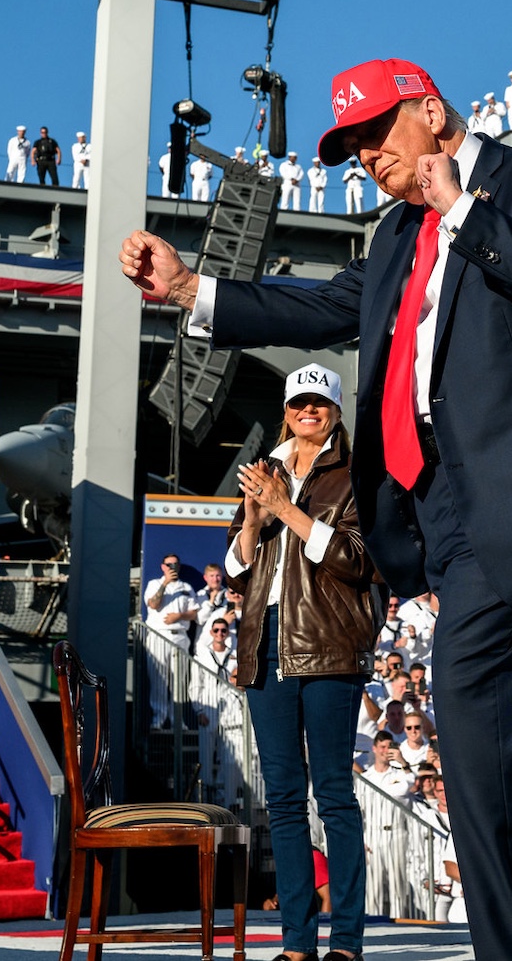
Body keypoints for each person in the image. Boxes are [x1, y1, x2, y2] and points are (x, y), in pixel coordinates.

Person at [121, 57, 512, 961]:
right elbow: (322, 303)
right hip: (441, 512)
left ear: (431, 112)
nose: (365, 155)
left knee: (475, 712)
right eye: (351, 144)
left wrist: (464, 211)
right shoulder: (396, 237)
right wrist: (189, 289)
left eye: (375, 133)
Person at [229, 363, 375, 961]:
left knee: (335, 796)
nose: (307, 412)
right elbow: (238, 569)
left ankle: (346, 943)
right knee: (284, 803)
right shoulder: (264, 472)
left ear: (336, 411)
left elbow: (356, 560)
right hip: (266, 648)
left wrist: (286, 510)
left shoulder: (356, 474)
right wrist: (256, 516)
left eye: (319, 403)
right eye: (297, 404)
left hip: (329, 647)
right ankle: (296, 946)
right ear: (286, 411)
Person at [142, 554, 198, 729]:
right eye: (169, 564)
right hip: (159, 635)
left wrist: (179, 616)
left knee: (179, 680)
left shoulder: (186, 587)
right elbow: (152, 604)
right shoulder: (154, 584)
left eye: (175, 564)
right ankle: (159, 718)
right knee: (159, 679)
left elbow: (194, 613)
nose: (172, 567)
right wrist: (165, 584)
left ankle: (177, 719)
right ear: (163, 566)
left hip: (180, 636)